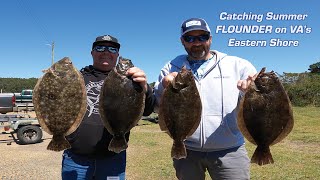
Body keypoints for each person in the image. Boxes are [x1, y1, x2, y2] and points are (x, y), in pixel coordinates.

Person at [153, 18, 257, 180]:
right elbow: (158, 108)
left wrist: (250, 92)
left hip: (230, 149)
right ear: (182, 41)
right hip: (186, 150)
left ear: (210, 38)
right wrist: (163, 88)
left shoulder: (238, 65)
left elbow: (255, 109)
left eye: (202, 37)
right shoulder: (170, 67)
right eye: (190, 38)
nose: (196, 42)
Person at [61, 35, 155, 179]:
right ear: (92, 52)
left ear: (117, 55)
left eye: (112, 48)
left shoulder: (134, 79)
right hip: (75, 158)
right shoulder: (78, 78)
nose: (106, 51)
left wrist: (145, 88)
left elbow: (148, 110)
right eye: (100, 47)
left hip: (113, 159)